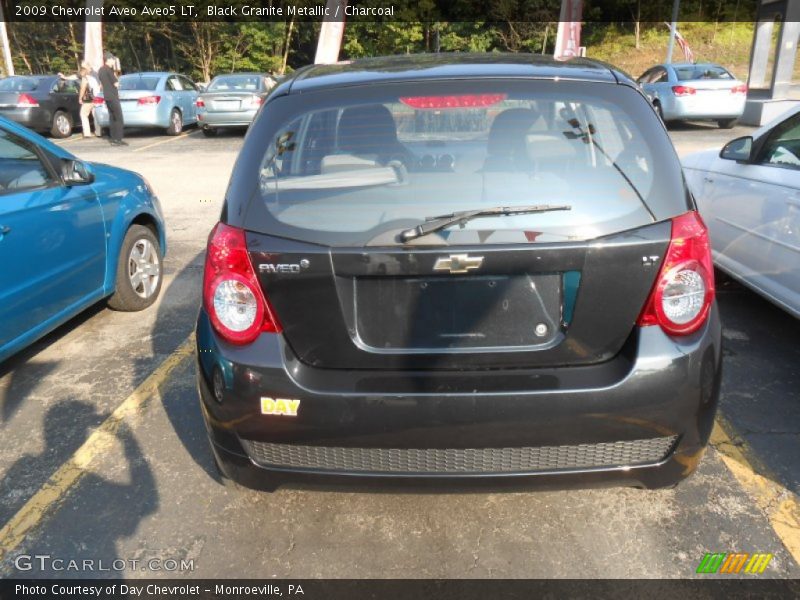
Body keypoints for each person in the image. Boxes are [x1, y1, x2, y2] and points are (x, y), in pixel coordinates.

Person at [98, 52, 126, 146]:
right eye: (112, 59)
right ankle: (118, 139)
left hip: (106, 96)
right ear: (108, 59)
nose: (114, 61)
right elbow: (115, 83)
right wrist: (118, 82)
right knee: (118, 118)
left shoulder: (101, 70)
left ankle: (113, 138)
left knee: (112, 117)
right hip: (113, 96)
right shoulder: (109, 70)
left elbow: (103, 83)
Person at [78, 62, 102, 139]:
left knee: (83, 114)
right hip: (97, 97)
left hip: (89, 99)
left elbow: (83, 88)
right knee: (96, 115)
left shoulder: (86, 77)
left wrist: (80, 98)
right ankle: (98, 132)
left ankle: (87, 133)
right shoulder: (96, 74)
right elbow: (101, 85)